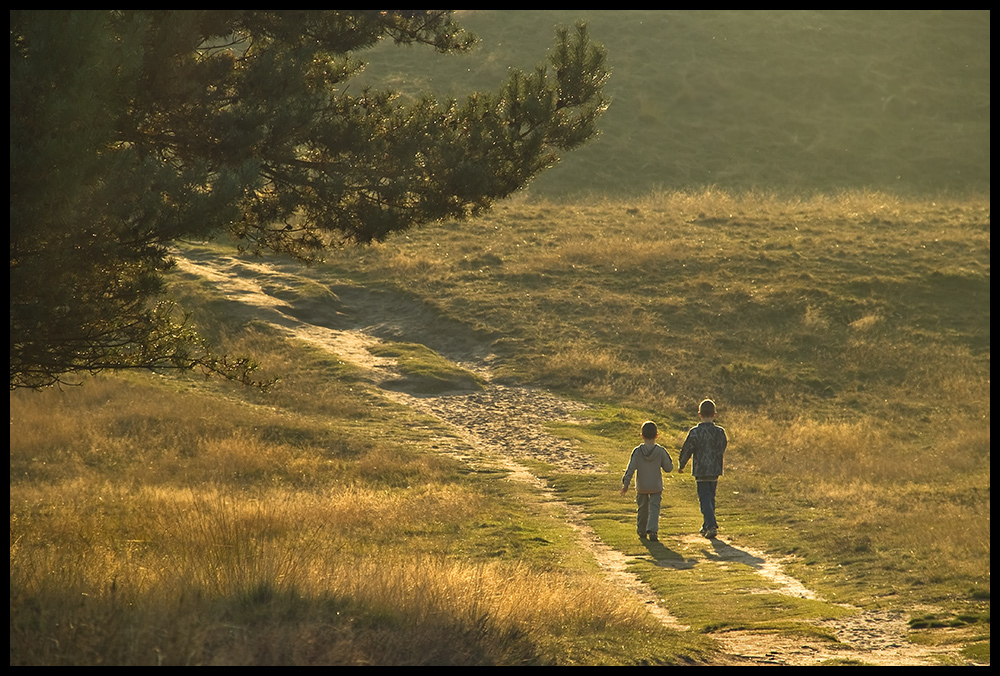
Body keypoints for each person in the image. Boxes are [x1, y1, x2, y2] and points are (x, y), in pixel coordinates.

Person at [678, 399, 728, 538]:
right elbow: (722, 447)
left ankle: (711, 525)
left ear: (699, 414)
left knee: (704, 498)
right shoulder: (720, 432)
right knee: (711, 497)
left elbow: (687, 449)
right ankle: (706, 525)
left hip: (700, 469)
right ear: (714, 415)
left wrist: (682, 464)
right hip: (715, 469)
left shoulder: (695, 432)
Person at [620, 420, 674, 542]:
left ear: (642, 436)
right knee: (654, 508)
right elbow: (668, 468)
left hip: (642, 485)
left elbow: (630, 468)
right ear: (656, 436)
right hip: (655, 485)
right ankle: (653, 530)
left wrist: (626, 484)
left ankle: (642, 529)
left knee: (642, 508)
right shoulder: (660, 451)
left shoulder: (637, 451)